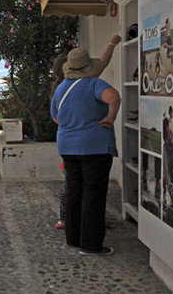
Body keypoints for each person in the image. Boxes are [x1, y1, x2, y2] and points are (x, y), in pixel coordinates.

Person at [51, 47, 121, 255]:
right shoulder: (94, 84)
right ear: (88, 66)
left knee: (74, 190)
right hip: (94, 146)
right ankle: (91, 245)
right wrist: (110, 118)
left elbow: (55, 117)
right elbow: (114, 98)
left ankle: (73, 238)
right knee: (94, 193)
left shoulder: (61, 88)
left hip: (67, 146)